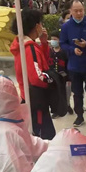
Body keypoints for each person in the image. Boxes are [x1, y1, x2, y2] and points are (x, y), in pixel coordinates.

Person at [10, 8, 56, 139]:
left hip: (29, 97)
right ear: (36, 26)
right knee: (44, 136)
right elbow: (36, 77)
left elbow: (41, 63)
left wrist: (44, 43)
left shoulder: (23, 45)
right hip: (35, 101)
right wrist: (51, 81)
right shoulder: (29, 48)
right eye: (41, 23)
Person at [60, 0, 86, 127]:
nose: (79, 13)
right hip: (74, 65)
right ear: (71, 11)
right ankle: (79, 115)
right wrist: (73, 50)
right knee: (77, 92)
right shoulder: (66, 26)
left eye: (81, 10)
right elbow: (62, 43)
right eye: (76, 11)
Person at [48, 30, 69, 119]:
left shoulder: (63, 52)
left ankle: (65, 107)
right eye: (52, 39)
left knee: (63, 93)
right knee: (54, 94)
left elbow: (67, 64)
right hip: (53, 77)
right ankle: (55, 111)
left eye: (55, 39)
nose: (53, 41)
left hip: (62, 77)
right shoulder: (50, 51)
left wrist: (68, 77)